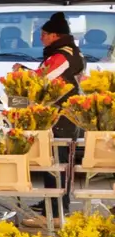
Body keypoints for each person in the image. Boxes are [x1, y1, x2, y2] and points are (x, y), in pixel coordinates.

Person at [35, 12, 86, 217]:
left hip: (62, 117)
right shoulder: (68, 52)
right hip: (63, 114)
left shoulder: (63, 55)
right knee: (55, 159)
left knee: (58, 160)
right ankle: (52, 199)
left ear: (55, 35)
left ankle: (57, 207)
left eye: (44, 34)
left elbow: (43, 79)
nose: (41, 38)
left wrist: (21, 74)